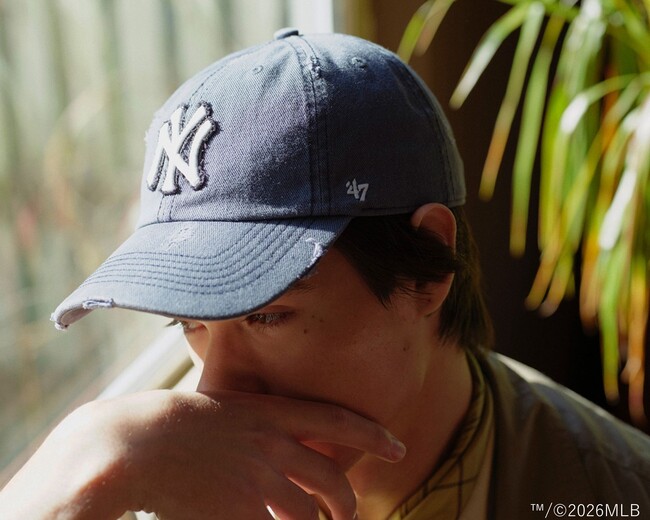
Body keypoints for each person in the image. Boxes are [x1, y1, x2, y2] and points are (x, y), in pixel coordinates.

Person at [1, 28, 649, 520]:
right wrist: (87, 459)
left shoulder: (611, 494)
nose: (213, 388)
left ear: (426, 269)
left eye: (266, 314)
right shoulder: (158, 478)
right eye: (188, 323)